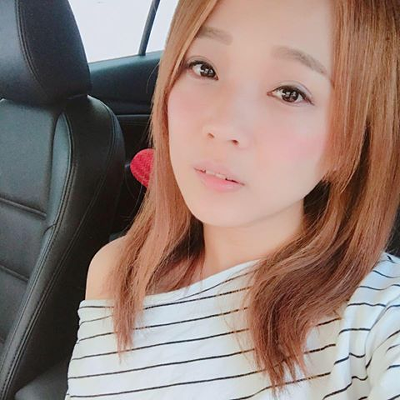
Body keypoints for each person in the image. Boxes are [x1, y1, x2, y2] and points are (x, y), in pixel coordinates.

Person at [65, 0, 400, 398]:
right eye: (204, 68)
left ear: (350, 143)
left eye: (290, 93)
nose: (223, 125)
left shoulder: (377, 316)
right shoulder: (118, 270)